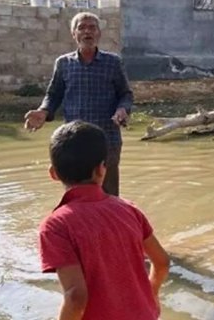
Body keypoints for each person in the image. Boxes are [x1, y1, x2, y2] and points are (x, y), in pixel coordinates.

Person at [38, 120, 170, 320]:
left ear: (53, 173)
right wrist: (152, 294)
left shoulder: (56, 226)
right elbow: (162, 262)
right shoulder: (129, 210)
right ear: (101, 169)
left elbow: (75, 297)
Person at [23, 12, 133, 196]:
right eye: (81, 27)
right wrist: (43, 111)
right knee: (75, 193)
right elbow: (54, 94)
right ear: (74, 34)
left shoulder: (113, 63)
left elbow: (125, 94)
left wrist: (122, 109)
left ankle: (109, 224)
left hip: (107, 139)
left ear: (99, 34)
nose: (87, 31)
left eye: (92, 27)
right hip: (74, 142)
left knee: (109, 194)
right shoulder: (64, 63)